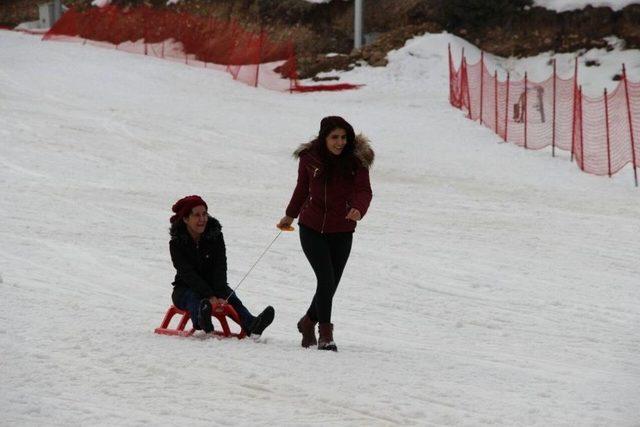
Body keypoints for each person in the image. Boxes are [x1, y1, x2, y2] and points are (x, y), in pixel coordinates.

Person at [277, 116, 373, 351]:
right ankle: (325, 333)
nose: (340, 142)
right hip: (311, 228)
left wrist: (359, 210)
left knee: (330, 284)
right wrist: (290, 215)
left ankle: (307, 321)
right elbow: (302, 189)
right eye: (334, 137)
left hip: (342, 229)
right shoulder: (310, 158)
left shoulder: (356, 161)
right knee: (326, 279)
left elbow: (364, 191)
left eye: (344, 137)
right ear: (324, 138)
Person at [169, 195, 274, 337]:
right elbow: (187, 273)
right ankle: (202, 320)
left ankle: (252, 324)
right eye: (197, 215)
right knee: (194, 299)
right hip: (185, 287)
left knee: (231, 298)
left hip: (214, 285)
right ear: (186, 219)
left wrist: (219, 293)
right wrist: (209, 295)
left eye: (205, 214)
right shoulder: (176, 243)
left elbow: (220, 265)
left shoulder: (215, 236)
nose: (202, 219)